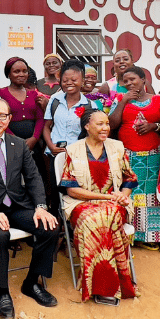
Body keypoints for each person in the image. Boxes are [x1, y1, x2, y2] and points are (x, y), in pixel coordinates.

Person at [0, 99, 60, 319]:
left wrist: (41, 207)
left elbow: (34, 177)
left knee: (50, 227)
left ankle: (31, 283)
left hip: (17, 205)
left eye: (2, 116)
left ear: (9, 118)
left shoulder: (19, 144)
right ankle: (3, 292)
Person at [59, 109, 138, 303]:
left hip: (114, 203)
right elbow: (71, 190)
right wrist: (104, 197)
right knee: (92, 218)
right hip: (82, 203)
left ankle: (104, 285)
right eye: (100, 124)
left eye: (107, 124)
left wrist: (121, 196)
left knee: (106, 215)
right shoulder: (73, 150)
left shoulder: (117, 147)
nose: (105, 128)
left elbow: (130, 179)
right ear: (87, 126)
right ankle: (105, 284)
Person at [108, 66, 160, 249]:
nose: (129, 83)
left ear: (143, 80)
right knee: (130, 194)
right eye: (125, 81)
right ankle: (130, 236)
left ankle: (150, 236)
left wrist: (153, 126)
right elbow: (111, 124)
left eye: (133, 79)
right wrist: (123, 102)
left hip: (152, 156)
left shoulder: (158, 100)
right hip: (128, 155)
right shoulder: (120, 99)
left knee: (150, 196)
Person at [43, 59, 107, 218]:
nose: (69, 83)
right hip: (54, 155)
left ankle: (73, 228)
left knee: (74, 193)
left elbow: (93, 135)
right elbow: (46, 127)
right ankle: (56, 230)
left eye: (74, 80)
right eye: (65, 80)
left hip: (77, 158)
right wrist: (51, 146)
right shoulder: (55, 100)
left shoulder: (91, 106)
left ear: (83, 81)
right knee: (53, 193)